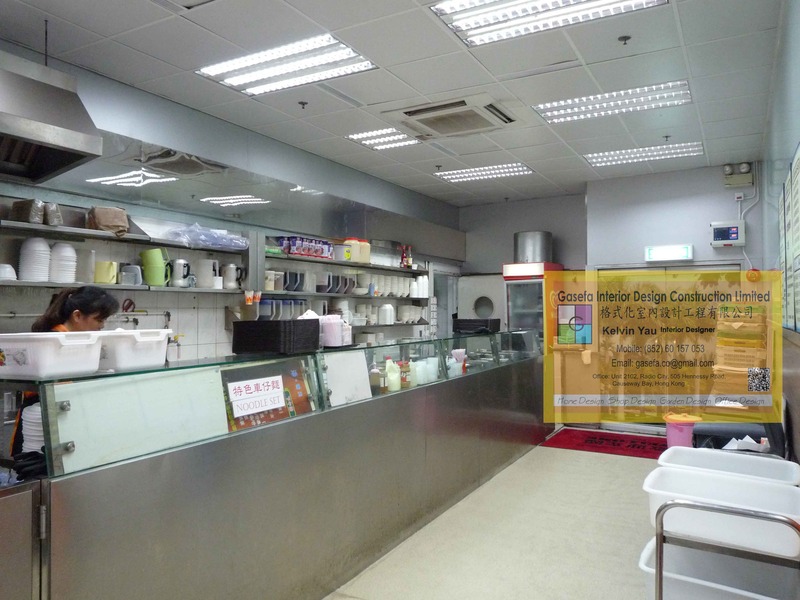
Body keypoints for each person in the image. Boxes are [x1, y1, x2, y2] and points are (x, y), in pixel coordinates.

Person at [10, 286, 119, 480]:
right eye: (99, 319)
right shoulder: (53, 343)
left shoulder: (77, 342)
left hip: (63, 433)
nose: (102, 326)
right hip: (40, 435)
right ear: (77, 316)